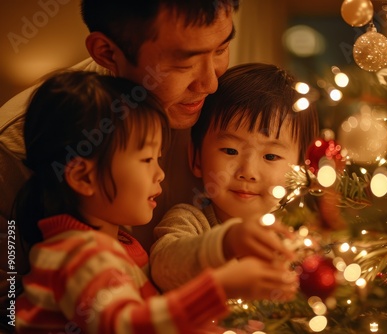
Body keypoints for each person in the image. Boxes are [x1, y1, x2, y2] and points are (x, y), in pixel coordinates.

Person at [0, 1, 294, 328]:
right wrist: (219, 288)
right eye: (185, 64)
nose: (210, 83)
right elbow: (12, 307)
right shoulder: (19, 147)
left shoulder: (222, 109)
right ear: (108, 52)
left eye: (222, 48)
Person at [151, 63, 320, 292]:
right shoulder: (190, 221)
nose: (247, 172)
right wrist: (226, 243)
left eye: (271, 156)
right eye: (230, 151)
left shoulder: (300, 238)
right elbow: (164, 268)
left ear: (300, 171)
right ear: (196, 158)